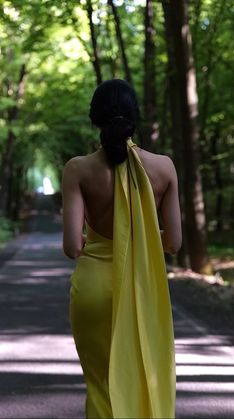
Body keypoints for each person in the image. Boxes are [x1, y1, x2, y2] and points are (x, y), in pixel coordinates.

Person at [62, 79, 182, 419]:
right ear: (135, 117)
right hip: (143, 288)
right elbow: (174, 243)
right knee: (146, 377)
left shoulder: (78, 169)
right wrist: (139, 232)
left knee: (100, 385)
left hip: (94, 289)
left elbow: (72, 247)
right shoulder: (164, 167)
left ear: (94, 118)